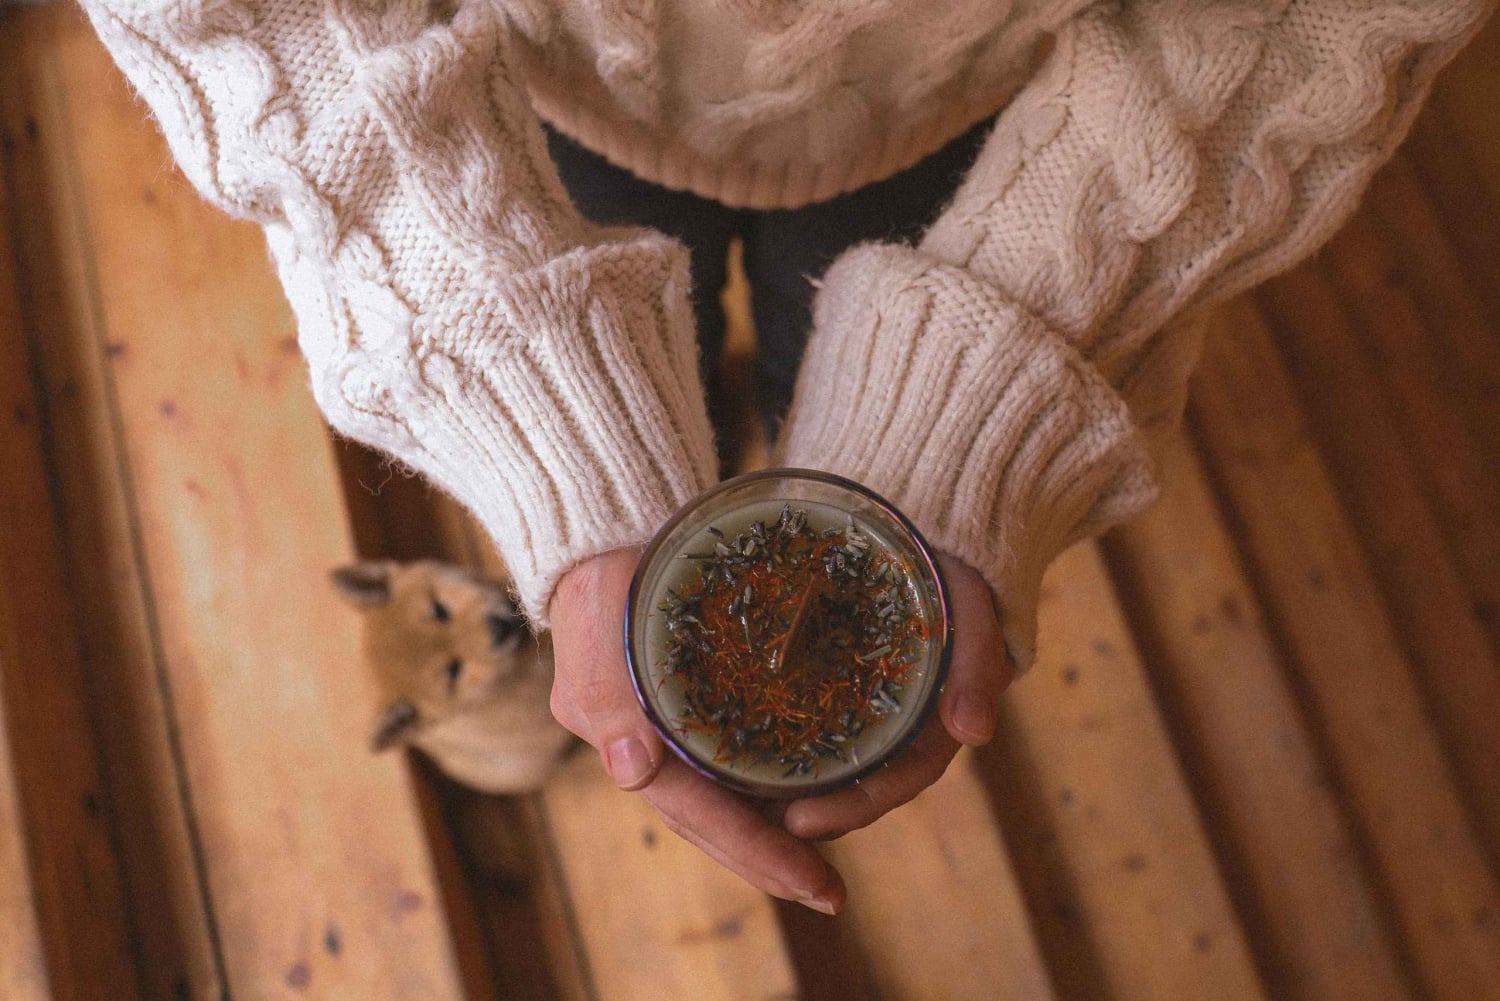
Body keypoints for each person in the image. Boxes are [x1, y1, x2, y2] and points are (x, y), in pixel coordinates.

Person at [79, 0, 1492, 915]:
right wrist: (545, 396)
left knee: (792, 381)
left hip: (989, 109)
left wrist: (985, 370)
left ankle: (753, 417)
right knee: (668, 371)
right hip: (525, 78)